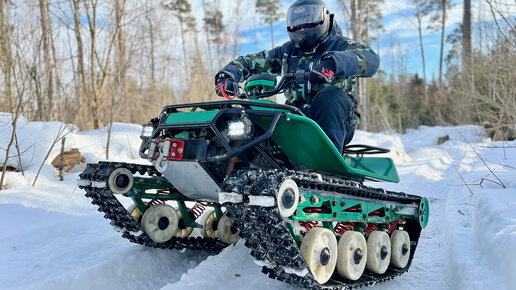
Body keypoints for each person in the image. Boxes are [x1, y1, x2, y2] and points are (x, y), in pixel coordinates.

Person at [215, 0, 379, 153]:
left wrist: (333, 64)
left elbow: (370, 58)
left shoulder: (340, 45)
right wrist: (228, 74)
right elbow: (254, 61)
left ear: (324, 18)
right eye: (296, 22)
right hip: (298, 115)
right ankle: (241, 159)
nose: (301, 27)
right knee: (257, 112)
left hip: (338, 118)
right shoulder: (288, 52)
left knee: (330, 95)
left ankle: (327, 160)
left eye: (308, 20)